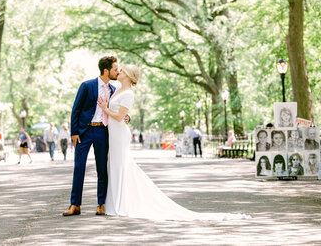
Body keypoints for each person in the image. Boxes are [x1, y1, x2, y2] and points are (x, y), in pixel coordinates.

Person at [97, 64, 249, 221]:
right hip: (113, 134)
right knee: (114, 166)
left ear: (128, 75)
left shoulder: (128, 93)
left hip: (120, 135)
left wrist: (104, 108)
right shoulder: (117, 90)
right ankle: (115, 203)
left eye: (122, 71)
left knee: (120, 166)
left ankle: (121, 204)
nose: (119, 72)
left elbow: (120, 117)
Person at [63, 56, 120, 217]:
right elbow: (76, 109)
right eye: (115, 69)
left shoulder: (114, 91)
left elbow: (117, 112)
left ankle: (101, 204)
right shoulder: (87, 86)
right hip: (84, 132)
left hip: (103, 132)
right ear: (106, 70)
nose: (118, 72)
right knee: (78, 167)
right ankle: (75, 205)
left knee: (102, 169)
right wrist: (74, 132)